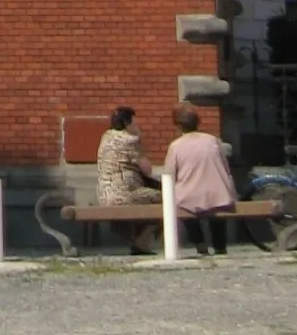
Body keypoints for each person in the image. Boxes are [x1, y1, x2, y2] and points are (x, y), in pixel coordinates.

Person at [162, 103, 239, 256]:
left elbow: (169, 175)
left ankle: (199, 242)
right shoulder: (213, 140)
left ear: (178, 125)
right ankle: (220, 244)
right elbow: (225, 167)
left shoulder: (176, 146)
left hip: (190, 197)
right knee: (218, 208)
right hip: (218, 194)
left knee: (182, 205)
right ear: (197, 122)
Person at [95, 103, 161, 252]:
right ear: (126, 123)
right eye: (134, 123)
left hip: (104, 195)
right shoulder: (130, 140)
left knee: (145, 198)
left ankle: (135, 241)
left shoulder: (105, 137)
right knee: (167, 199)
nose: (136, 126)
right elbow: (147, 170)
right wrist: (139, 138)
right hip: (125, 195)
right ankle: (142, 240)